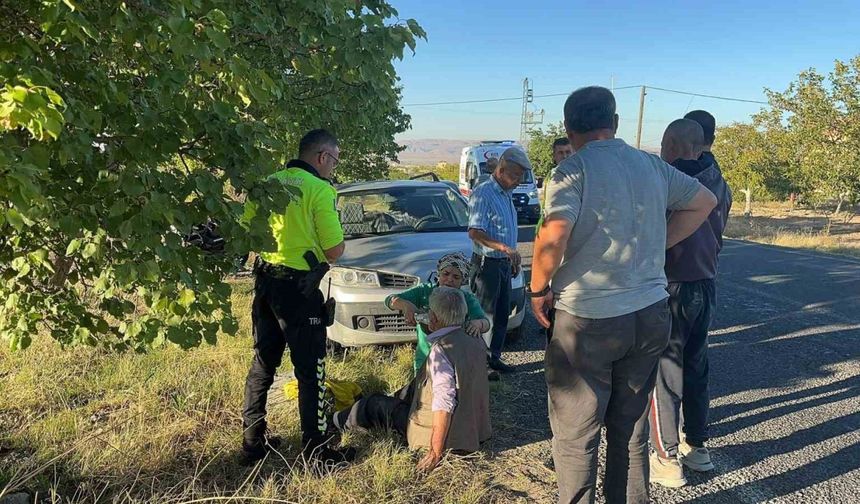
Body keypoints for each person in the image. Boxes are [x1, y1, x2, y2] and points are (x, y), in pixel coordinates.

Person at [529, 86, 717, 504]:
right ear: (613, 124)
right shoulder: (651, 166)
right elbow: (703, 202)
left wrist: (538, 288)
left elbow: (554, 235)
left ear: (567, 127)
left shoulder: (570, 171)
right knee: (630, 431)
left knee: (577, 434)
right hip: (649, 314)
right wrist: (658, 245)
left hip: (588, 318)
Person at [241, 128, 354, 466]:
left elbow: (248, 233)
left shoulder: (268, 184)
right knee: (311, 371)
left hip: (265, 283)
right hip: (300, 290)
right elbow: (334, 250)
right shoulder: (319, 190)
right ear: (321, 157)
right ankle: (316, 453)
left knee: (263, 363)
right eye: (334, 160)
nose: (333, 166)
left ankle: (252, 444)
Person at [646, 117, 732, 487]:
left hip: (671, 285)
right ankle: (696, 447)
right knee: (696, 367)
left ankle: (665, 458)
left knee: (663, 373)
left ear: (672, 144)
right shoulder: (720, 181)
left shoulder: (669, 182)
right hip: (706, 283)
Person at [332, 287, 492, 472]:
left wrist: (434, 453)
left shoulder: (442, 351)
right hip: (473, 430)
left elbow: (444, 404)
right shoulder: (474, 337)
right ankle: (385, 403)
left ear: (433, 319)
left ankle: (335, 422)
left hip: (446, 436)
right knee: (413, 386)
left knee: (373, 404)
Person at [468, 147, 532, 373]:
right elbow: (475, 232)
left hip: (504, 264)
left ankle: (494, 359)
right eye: (515, 176)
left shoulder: (505, 193)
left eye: (521, 178)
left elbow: (506, 230)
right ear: (502, 170)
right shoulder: (484, 193)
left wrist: (512, 258)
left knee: (503, 315)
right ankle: (479, 365)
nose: (517, 182)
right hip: (488, 266)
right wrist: (503, 248)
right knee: (484, 316)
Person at [385, 252, 490, 375]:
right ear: (438, 273)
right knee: (422, 390)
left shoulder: (467, 299)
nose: (450, 279)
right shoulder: (424, 291)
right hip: (425, 357)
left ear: (462, 281)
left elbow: (486, 323)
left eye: (456, 277)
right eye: (446, 274)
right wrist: (405, 305)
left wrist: (478, 324)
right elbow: (389, 300)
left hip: (456, 358)